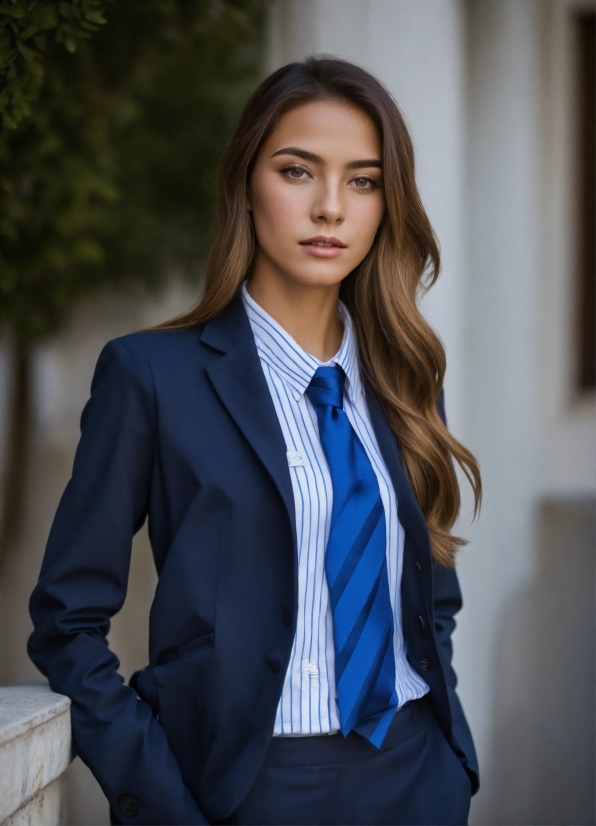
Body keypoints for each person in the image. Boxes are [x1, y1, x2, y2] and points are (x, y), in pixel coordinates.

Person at [27, 57, 482, 826]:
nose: (330, 208)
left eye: (364, 181)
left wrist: (448, 760)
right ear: (246, 182)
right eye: (298, 171)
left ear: (386, 205)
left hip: (414, 777)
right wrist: (161, 797)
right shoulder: (151, 377)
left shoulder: (407, 379)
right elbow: (67, 623)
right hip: (247, 789)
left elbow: (431, 600)